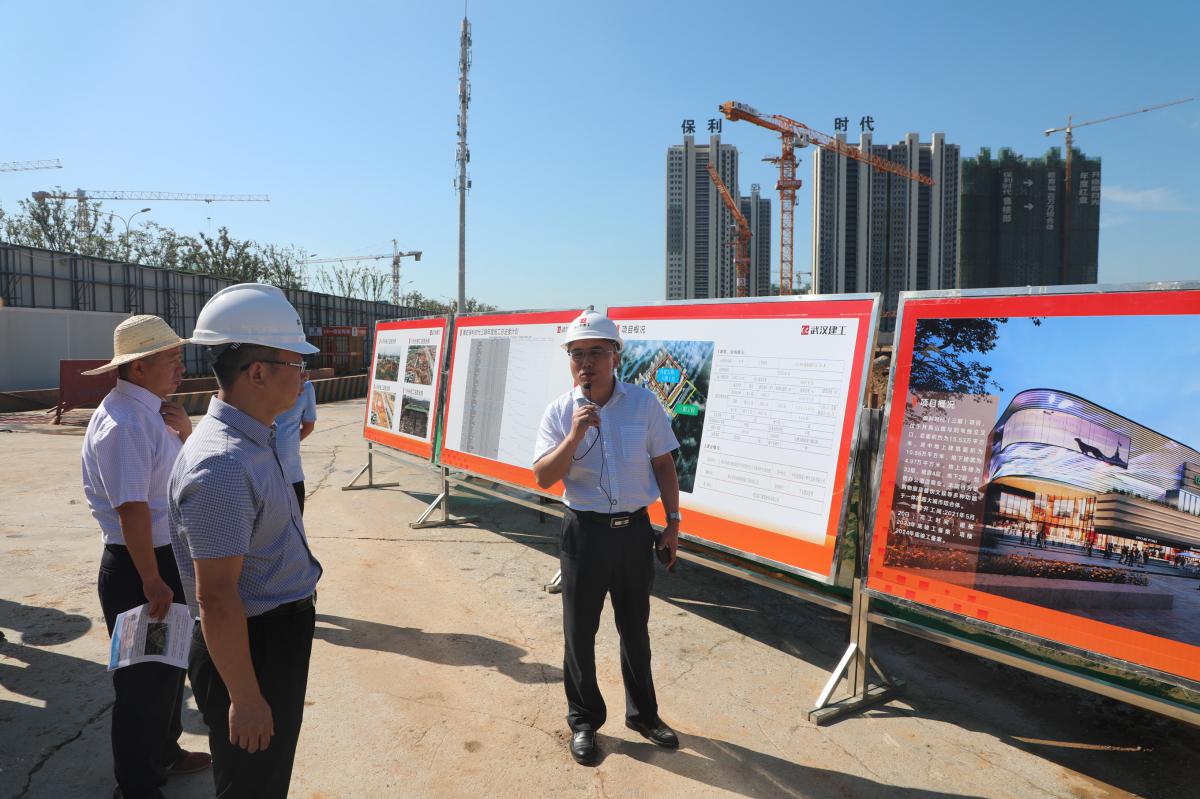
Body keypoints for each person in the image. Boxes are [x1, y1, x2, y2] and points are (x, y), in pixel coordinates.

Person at [168, 284, 323, 798]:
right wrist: (247, 697)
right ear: (257, 373)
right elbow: (216, 597)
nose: (303, 376)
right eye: (296, 364)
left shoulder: (253, 436)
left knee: (266, 779)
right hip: (254, 646)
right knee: (253, 786)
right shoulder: (223, 464)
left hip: (271, 635)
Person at [532, 310, 682, 766]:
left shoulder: (644, 404)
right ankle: (584, 722)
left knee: (635, 629)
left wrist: (673, 523)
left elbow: (663, 464)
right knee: (579, 633)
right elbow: (543, 476)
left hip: (634, 532)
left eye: (596, 351)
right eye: (577, 354)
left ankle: (644, 715)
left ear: (616, 355)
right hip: (584, 534)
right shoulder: (560, 412)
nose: (586, 362)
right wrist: (575, 434)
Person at [80, 314, 211, 798]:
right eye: (171, 359)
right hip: (141, 568)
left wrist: (185, 433)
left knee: (168, 668)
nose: (181, 367)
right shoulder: (126, 424)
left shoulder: (152, 412)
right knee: (141, 684)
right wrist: (153, 580)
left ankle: (165, 752)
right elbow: (132, 510)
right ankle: (136, 786)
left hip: (161, 559)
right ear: (138, 367)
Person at [275, 375, 317, 514]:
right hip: (263, 479)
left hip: (293, 476)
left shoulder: (306, 388)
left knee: (295, 524)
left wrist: (288, 443)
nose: (304, 374)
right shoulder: (261, 385)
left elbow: (309, 426)